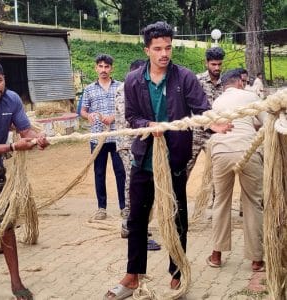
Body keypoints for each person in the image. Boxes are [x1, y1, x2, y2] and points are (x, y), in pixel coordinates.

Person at [104, 21, 232, 300]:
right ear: (147, 49)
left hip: (174, 160)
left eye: (168, 48)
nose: (164, 53)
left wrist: (215, 125)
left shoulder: (184, 78)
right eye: (158, 48)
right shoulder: (134, 80)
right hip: (143, 160)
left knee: (177, 218)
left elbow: (202, 109)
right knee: (137, 218)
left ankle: (177, 272)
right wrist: (149, 124)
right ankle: (132, 275)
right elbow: (132, 117)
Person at [0, 61, 49, 299]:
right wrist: (12, 146)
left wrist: (38, 139)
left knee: (6, 225)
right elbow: (13, 143)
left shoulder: (11, 99)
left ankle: (16, 282)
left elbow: (26, 131)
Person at [206, 69, 266, 272]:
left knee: (221, 201)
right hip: (247, 151)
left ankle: (216, 255)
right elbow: (266, 123)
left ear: (224, 86)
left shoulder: (217, 102)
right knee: (253, 202)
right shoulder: (251, 96)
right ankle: (257, 259)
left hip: (221, 152)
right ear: (240, 83)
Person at [114, 59, 161, 251]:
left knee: (135, 186)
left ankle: (135, 227)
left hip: (134, 143)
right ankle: (132, 228)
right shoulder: (127, 89)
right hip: (129, 144)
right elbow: (132, 118)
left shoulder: (127, 88)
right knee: (132, 187)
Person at [81, 54, 126, 220]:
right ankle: (101, 208)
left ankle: (124, 206)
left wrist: (114, 117)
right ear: (96, 68)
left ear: (111, 68)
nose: (103, 70)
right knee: (99, 173)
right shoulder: (89, 89)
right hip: (97, 139)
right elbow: (83, 110)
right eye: (100, 66)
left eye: (107, 67)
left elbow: (126, 109)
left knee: (120, 172)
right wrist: (89, 115)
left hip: (117, 137)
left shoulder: (121, 87)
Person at [186, 47, 225, 208]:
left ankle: (218, 206)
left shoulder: (227, 82)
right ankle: (176, 203)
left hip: (218, 135)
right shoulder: (197, 81)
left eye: (219, 64)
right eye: (213, 64)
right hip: (197, 133)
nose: (216, 68)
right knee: (185, 168)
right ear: (206, 63)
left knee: (219, 171)